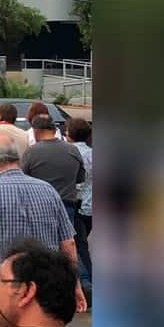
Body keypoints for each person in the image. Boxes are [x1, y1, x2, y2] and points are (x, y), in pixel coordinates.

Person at [0, 136, 87, 327]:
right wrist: (75, 284)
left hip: (5, 286)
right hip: (46, 286)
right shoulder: (48, 190)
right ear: (19, 159)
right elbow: (68, 243)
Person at [21, 113, 86, 233]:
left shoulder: (31, 152)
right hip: (67, 204)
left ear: (36, 131)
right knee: (65, 241)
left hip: (39, 206)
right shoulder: (72, 150)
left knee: (42, 244)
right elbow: (81, 178)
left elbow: (22, 180)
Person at [66, 118, 93, 289]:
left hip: (77, 203)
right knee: (82, 244)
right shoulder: (93, 153)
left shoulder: (70, 153)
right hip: (92, 205)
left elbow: (77, 181)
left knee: (77, 245)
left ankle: (86, 281)